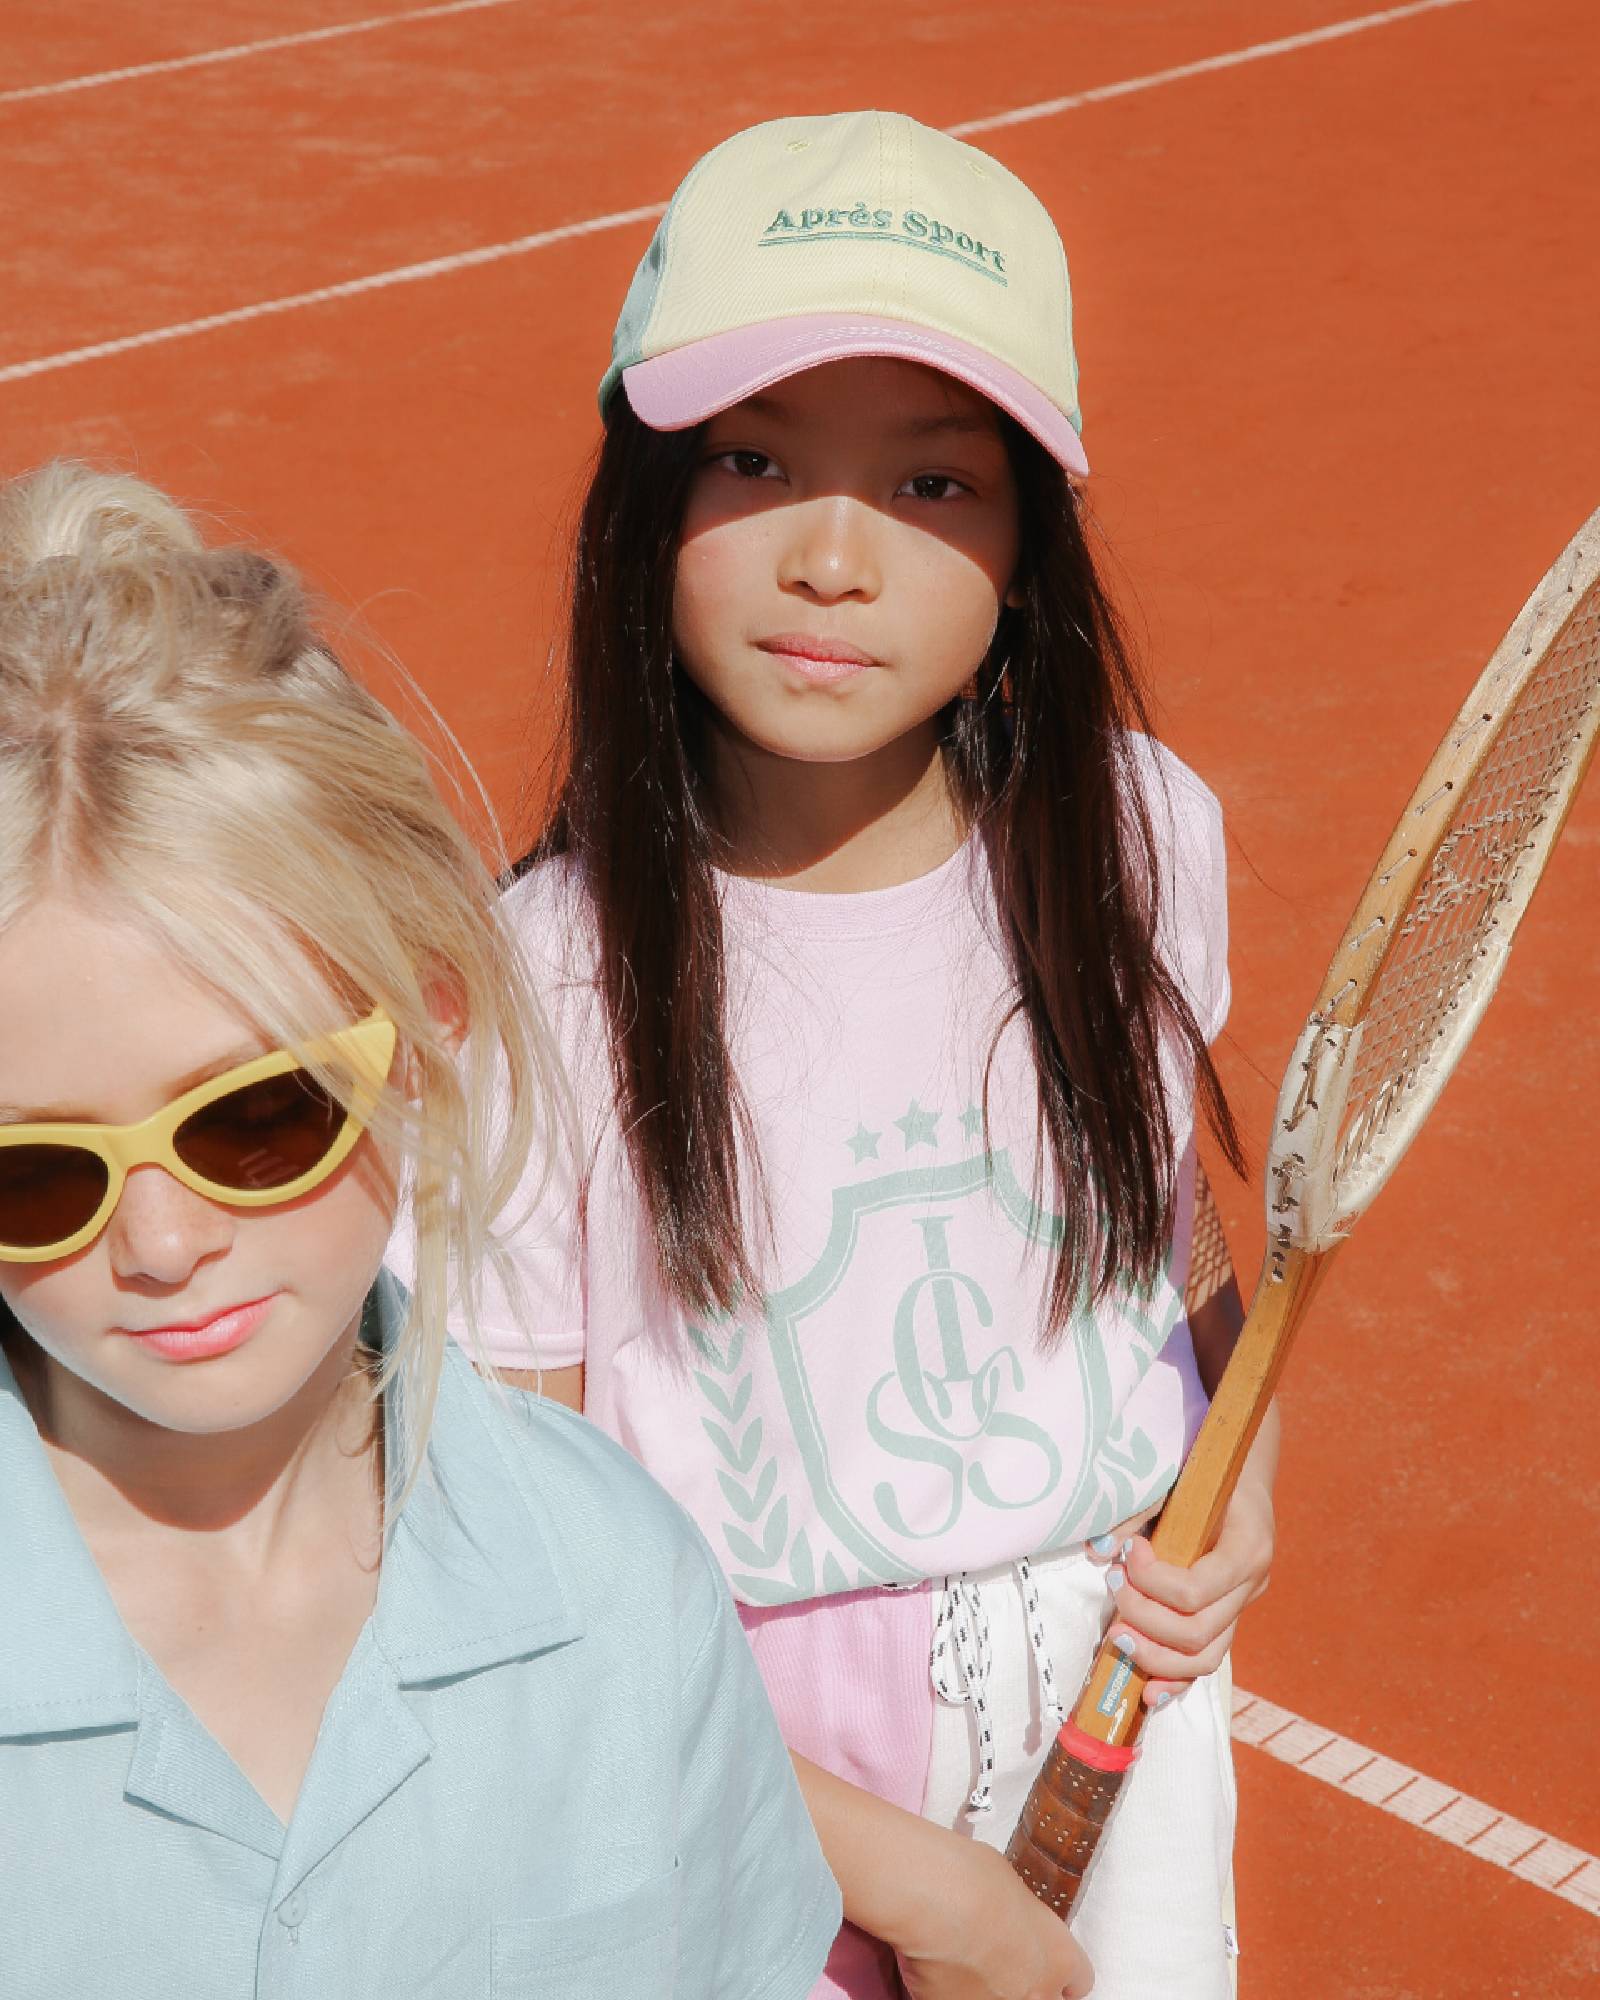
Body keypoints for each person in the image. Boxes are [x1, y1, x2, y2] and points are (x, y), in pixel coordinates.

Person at [478, 111, 1278, 1999]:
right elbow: (529, 1522)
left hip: (1117, 1686)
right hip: (747, 1754)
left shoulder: (1141, 834)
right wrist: (917, 1892)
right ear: (643, 505)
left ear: (1030, 549)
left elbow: (1159, 1219)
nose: (835, 559)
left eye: (934, 486)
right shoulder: (546, 971)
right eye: (753, 461)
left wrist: (1245, 1459)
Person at [0, 461, 840, 1999]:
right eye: (34, 1175)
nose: (165, 1244)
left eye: (255, 1118)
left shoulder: (616, 1583)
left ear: (430, 1020)